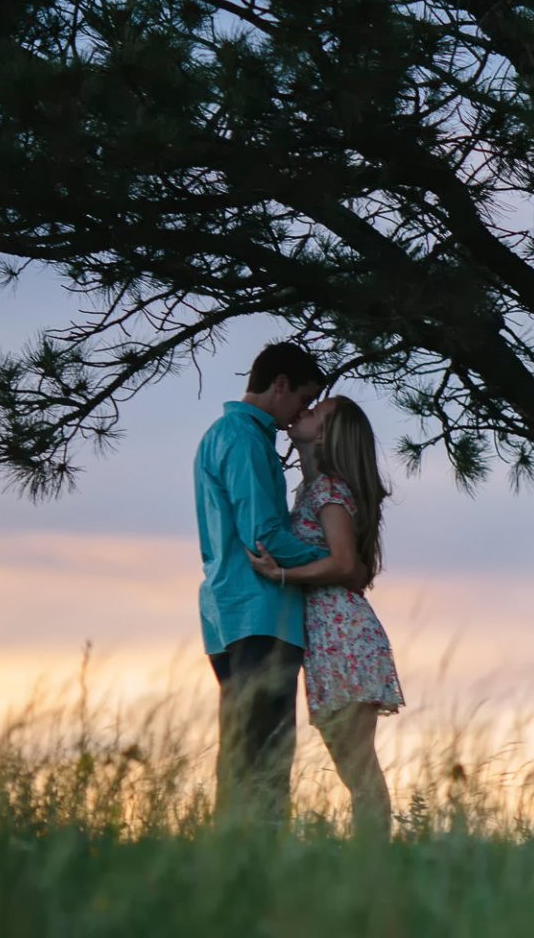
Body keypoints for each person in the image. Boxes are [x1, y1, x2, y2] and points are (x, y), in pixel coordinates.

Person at [249, 394, 404, 836]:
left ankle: (372, 867)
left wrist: (283, 574)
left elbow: (342, 562)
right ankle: (371, 864)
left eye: (317, 411)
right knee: (355, 769)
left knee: (358, 771)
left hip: (343, 638)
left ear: (325, 433)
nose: (306, 410)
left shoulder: (329, 490)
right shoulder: (315, 489)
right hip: (333, 639)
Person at [194, 341, 330, 826]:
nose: (302, 412)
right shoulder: (247, 439)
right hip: (261, 612)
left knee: (241, 749)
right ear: (280, 385)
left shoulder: (222, 434)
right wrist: (334, 560)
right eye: (302, 399)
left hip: (226, 611)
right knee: (265, 752)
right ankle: (257, 861)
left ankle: (233, 859)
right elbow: (264, 537)